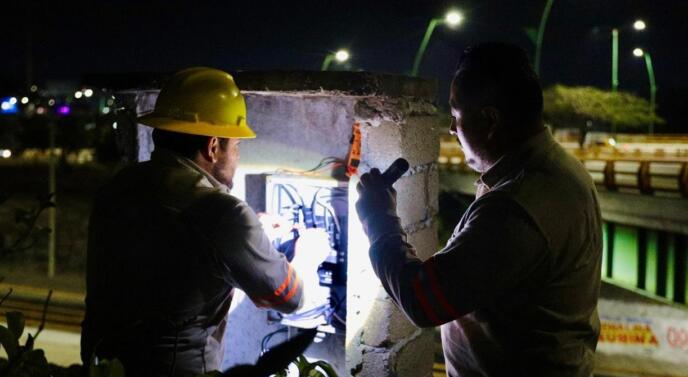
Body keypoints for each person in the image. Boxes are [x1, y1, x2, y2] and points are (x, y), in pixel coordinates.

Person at [356, 43, 602, 376]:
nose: (452, 130)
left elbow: (423, 301)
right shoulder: (559, 169)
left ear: (489, 120)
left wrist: (378, 219)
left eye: (456, 115)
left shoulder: (516, 207)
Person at [81, 67, 305, 377]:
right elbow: (287, 297)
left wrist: (252, 233)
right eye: (237, 146)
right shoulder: (223, 213)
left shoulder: (116, 188)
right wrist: (306, 252)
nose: (238, 156)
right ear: (213, 146)